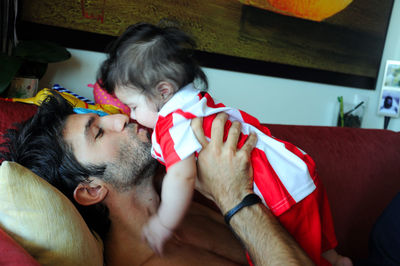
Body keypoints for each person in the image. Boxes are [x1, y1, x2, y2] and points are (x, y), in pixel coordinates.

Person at [98, 22, 351, 266]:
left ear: (163, 91)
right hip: (297, 173)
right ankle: (336, 259)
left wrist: (164, 222)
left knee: (276, 249)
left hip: (277, 195)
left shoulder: (172, 124)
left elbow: (181, 176)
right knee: (315, 246)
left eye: (134, 106)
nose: (132, 116)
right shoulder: (198, 102)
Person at [0, 93, 314, 265]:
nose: (121, 118)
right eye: (98, 132)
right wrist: (233, 196)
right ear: (92, 189)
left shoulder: (181, 198)